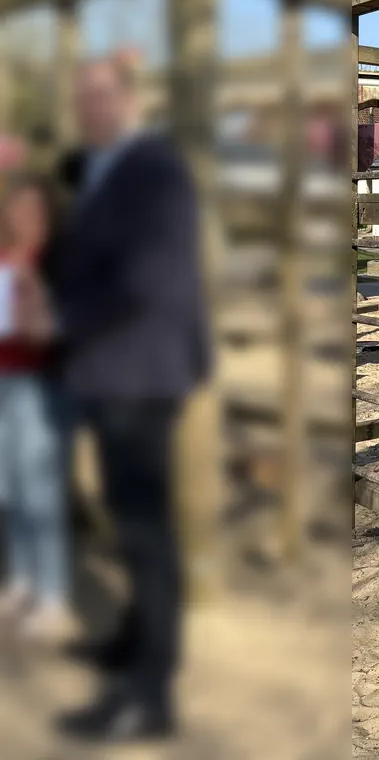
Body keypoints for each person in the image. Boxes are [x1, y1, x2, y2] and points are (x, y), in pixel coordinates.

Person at [36, 56, 210, 742]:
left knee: (145, 529)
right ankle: (135, 645)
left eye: (99, 96)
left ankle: (150, 692)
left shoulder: (152, 172)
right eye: (80, 97)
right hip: (109, 370)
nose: (88, 108)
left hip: (140, 373)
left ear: (128, 102)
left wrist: (59, 319)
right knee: (128, 518)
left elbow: (145, 279)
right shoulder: (103, 168)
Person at [0, 162, 74, 647]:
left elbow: (66, 330)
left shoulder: (56, 258)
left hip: (40, 384)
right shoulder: (9, 255)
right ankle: (23, 581)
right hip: (5, 382)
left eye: (32, 206)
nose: (23, 214)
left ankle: (53, 599)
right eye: (16, 206)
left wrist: (41, 311)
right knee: (9, 491)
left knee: (41, 494)